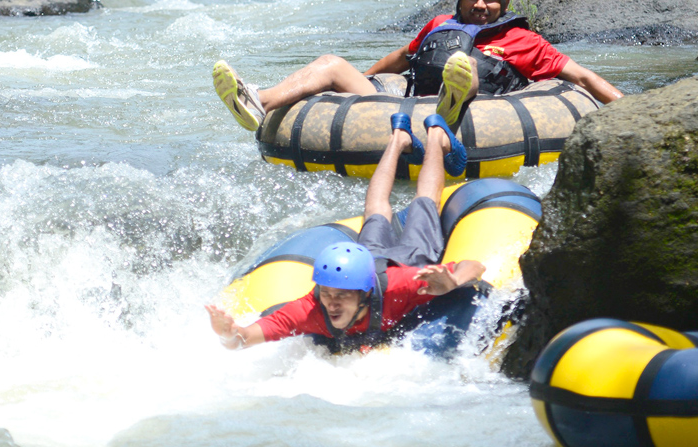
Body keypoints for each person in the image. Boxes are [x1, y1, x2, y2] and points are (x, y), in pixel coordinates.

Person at [211, 0, 622, 137]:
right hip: (403, 106)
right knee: (331, 62)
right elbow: (403, 58)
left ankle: (453, 98)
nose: (481, 4)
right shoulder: (439, 24)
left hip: (471, 118)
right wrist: (366, 80)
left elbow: (581, 75)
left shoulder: (523, 40)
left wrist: (627, 107)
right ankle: (256, 100)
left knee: (465, 73)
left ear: (505, 2)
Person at [204, 118, 486, 353]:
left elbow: (474, 266)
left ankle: (436, 136)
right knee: (375, 209)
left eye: (340, 295)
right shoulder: (312, 309)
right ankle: (398, 138)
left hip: (408, 258)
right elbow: (244, 339)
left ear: (364, 293)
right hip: (370, 256)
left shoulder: (403, 287)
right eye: (327, 293)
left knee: (424, 202)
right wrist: (228, 334)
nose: (332, 303)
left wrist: (454, 281)